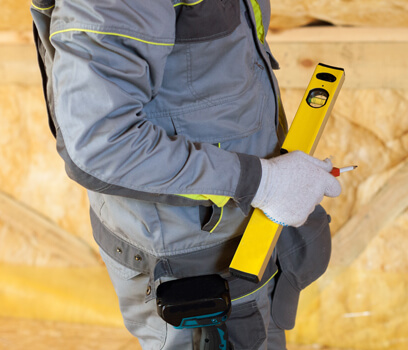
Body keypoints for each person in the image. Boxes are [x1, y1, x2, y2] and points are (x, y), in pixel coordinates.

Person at [30, 0, 341, 348]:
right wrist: (262, 182)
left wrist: (269, 177)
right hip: (195, 265)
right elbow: (100, 144)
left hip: (242, 237)